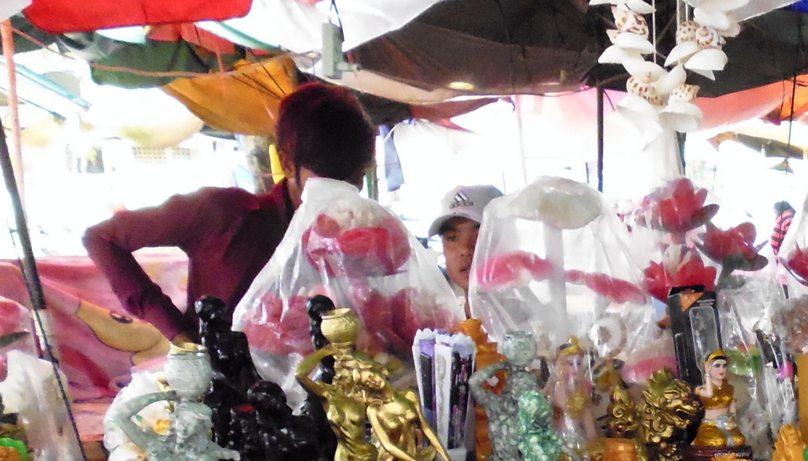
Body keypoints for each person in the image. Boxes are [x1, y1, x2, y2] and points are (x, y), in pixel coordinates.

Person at [83, 82, 376, 344]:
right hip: (226, 391)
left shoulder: (359, 238)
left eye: (355, 179)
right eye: (326, 181)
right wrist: (177, 332)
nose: (341, 194)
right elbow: (102, 238)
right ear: (287, 164)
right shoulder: (221, 213)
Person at [429, 184, 502, 309]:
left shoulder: (538, 322)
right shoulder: (445, 322)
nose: (465, 249)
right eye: (453, 238)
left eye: (480, 235)